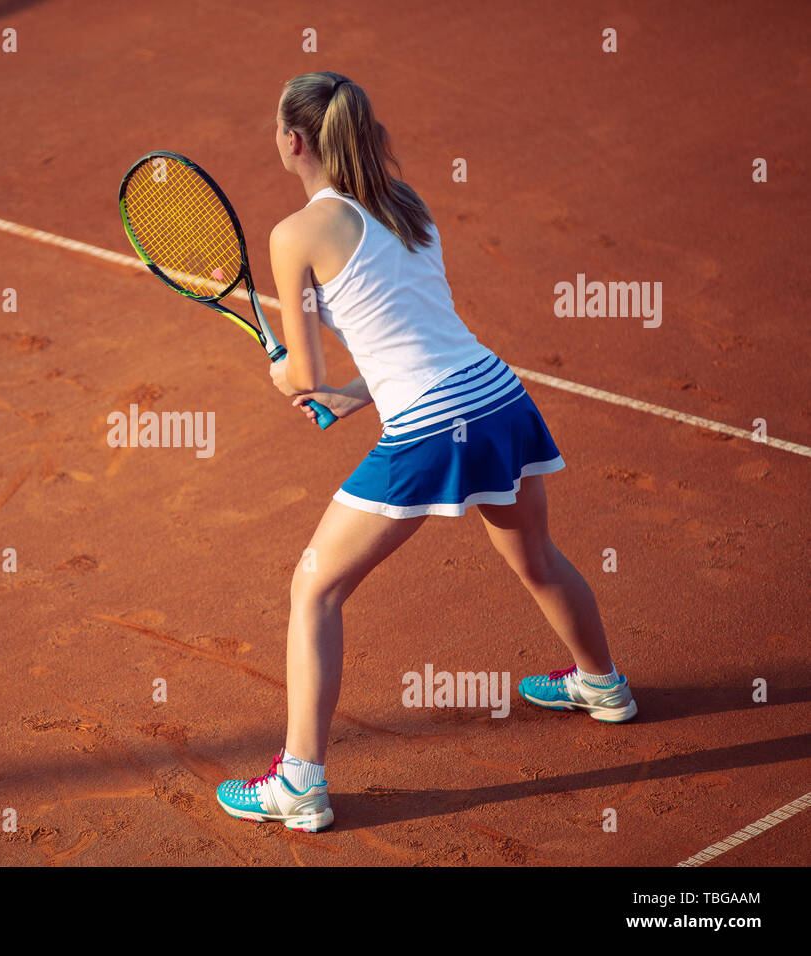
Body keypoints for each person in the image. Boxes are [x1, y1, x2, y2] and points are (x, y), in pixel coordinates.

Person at [215, 71, 637, 833]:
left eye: (275, 129)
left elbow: (297, 372)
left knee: (314, 590)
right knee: (535, 555)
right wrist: (349, 394)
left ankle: (299, 782)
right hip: (497, 398)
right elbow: (416, 334)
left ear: (294, 141)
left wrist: (289, 376)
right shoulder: (405, 204)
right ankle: (603, 685)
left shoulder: (293, 235)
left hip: (434, 425)